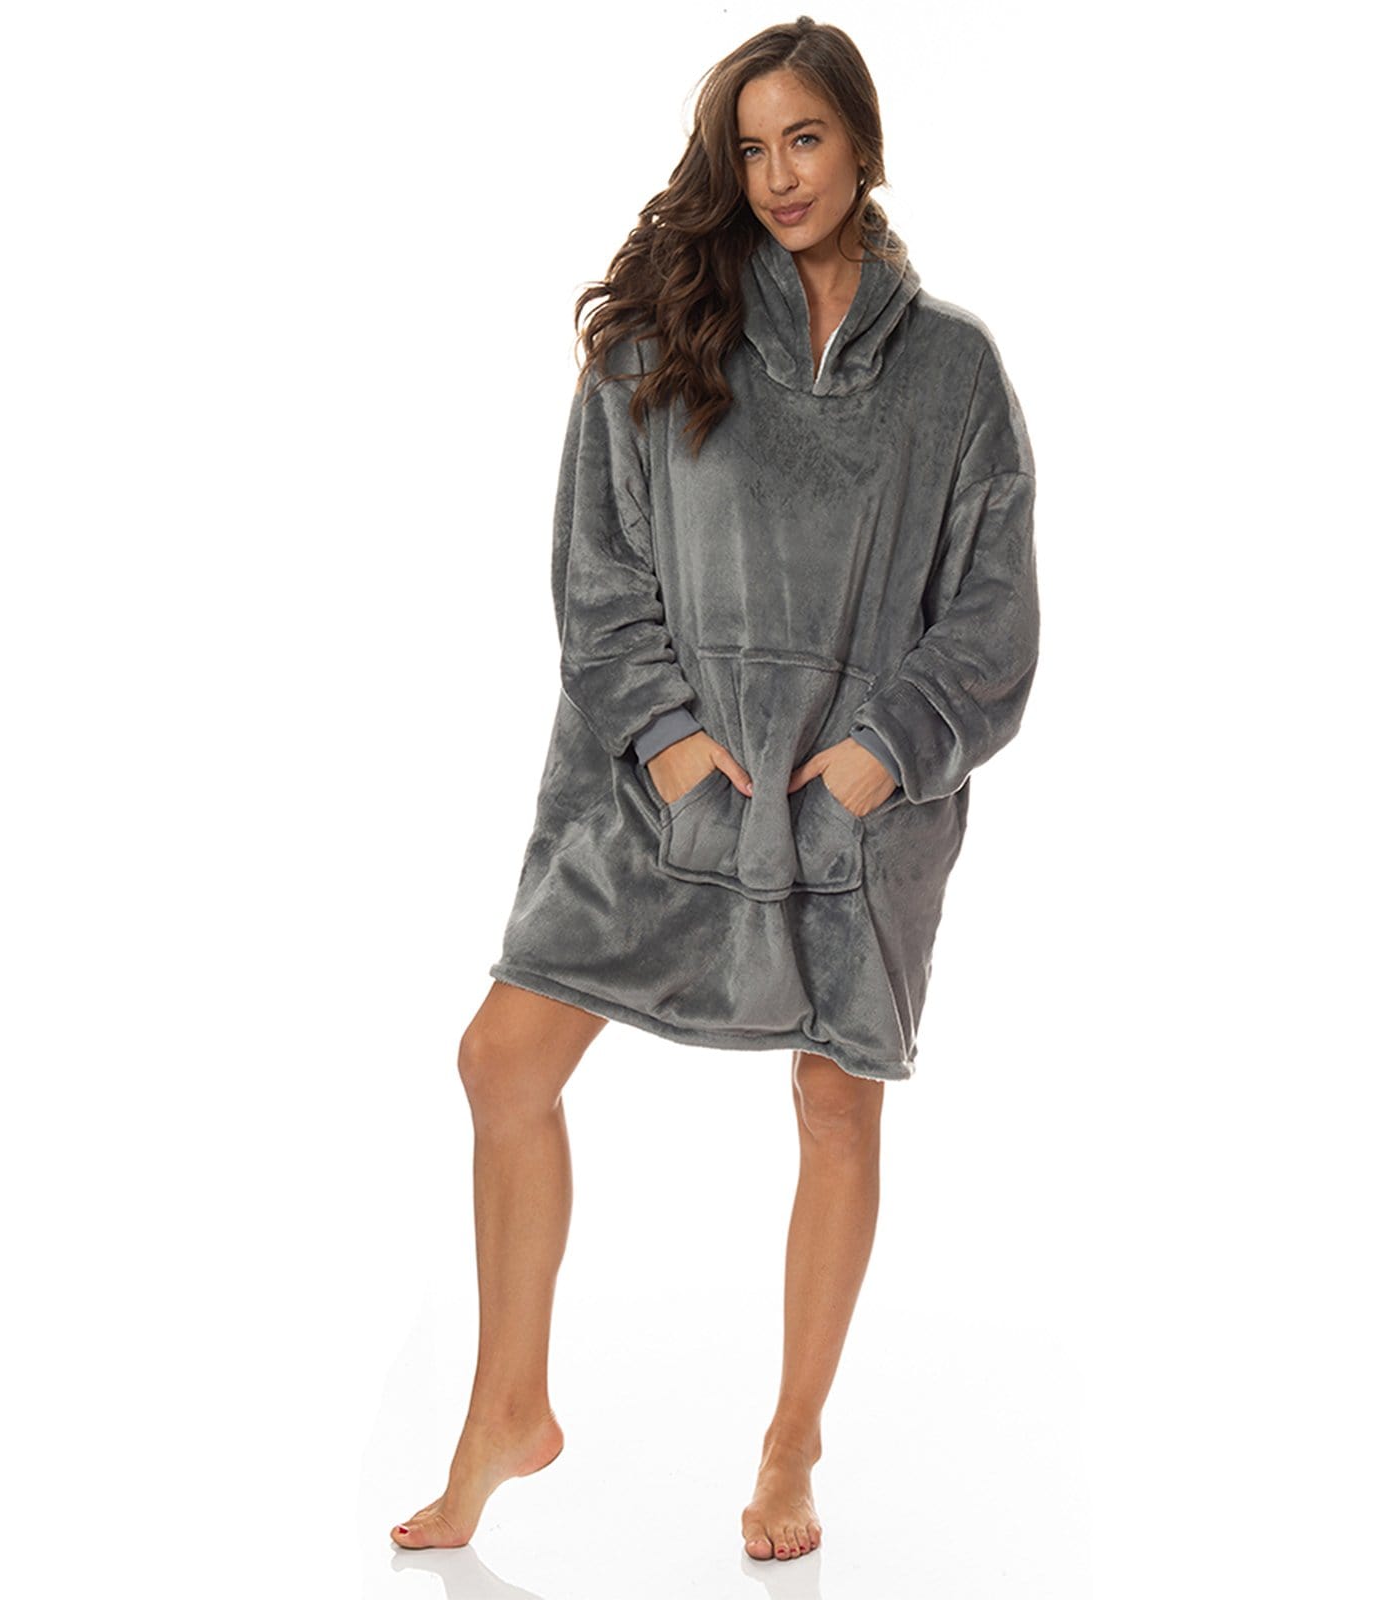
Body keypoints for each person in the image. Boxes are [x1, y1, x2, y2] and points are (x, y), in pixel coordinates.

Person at [391, 14, 1040, 1563]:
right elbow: (598, 571)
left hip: (853, 810)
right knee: (502, 1060)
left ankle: (790, 1447)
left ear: (863, 143)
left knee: (832, 1101)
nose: (778, 176)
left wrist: (878, 758)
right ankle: (506, 1405)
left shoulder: (952, 371)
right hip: (659, 783)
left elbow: (994, 616)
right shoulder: (658, 338)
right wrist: (674, 748)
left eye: (804, 139)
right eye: (750, 150)